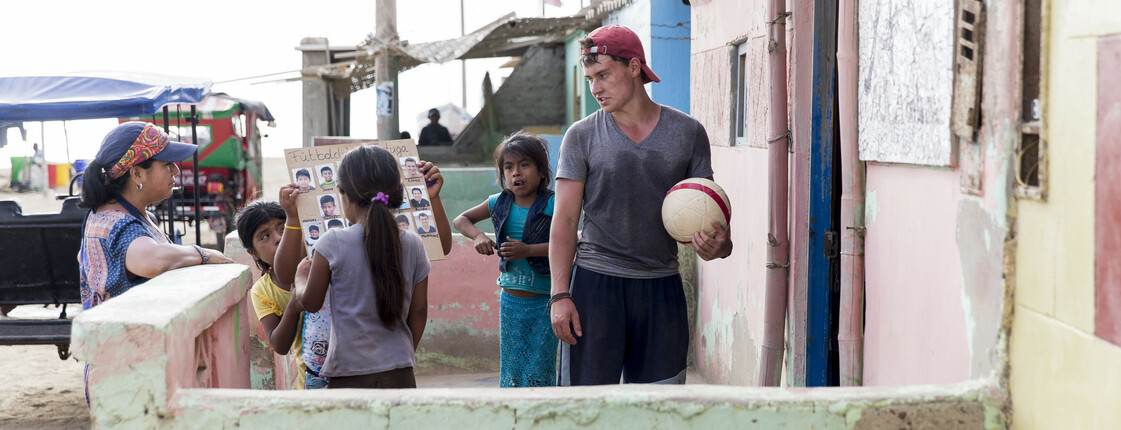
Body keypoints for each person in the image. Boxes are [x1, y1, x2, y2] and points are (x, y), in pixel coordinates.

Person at [549, 25, 734, 386]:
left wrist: (720, 246)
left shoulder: (688, 132)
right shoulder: (582, 136)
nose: (595, 88)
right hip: (595, 286)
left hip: (661, 287)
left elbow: (707, 209)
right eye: (590, 78)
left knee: (659, 409)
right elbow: (565, 219)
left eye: (603, 75)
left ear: (634, 67)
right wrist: (559, 295)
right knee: (588, 409)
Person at [77, 121, 233, 401]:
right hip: (124, 373)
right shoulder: (115, 222)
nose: (176, 170)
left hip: (135, 365)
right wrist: (204, 254)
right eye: (167, 164)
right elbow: (150, 260)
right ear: (137, 172)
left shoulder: (133, 214)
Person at [290, 145, 431, 389]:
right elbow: (418, 311)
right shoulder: (414, 244)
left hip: (349, 374)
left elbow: (311, 303)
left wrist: (301, 278)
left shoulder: (332, 242)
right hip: (400, 372)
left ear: (344, 195)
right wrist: (403, 353)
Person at [454, 133, 557, 387]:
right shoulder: (498, 203)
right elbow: (460, 220)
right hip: (510, 303)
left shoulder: (553, 203)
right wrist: (478, 236)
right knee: (512, 371)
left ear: (542, 172)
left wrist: (528, 251)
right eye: (509, 167)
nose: (516, 173)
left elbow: (570, 245)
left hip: (544, 302)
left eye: (524, 165)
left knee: (537, 373)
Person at [236, 199, 327, 390]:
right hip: (312, 379)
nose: (278, 238)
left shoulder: (321, 264)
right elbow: (279, 345)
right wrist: (293, 305)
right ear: (253, 253)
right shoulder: (262, 290)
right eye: (265, 236)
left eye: (283, 228)